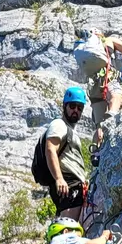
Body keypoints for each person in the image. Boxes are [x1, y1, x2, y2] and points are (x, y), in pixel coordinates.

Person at [44, 87, 90, 220]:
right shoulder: (59, 124)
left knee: (73, 230)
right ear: (64, 105)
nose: (76, 110)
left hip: (74, 185)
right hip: (68, 185)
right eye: (72, 105)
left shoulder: (70, 130)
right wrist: (59, 178)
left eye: (80, 107)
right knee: (68, 230)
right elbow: (50, 149)